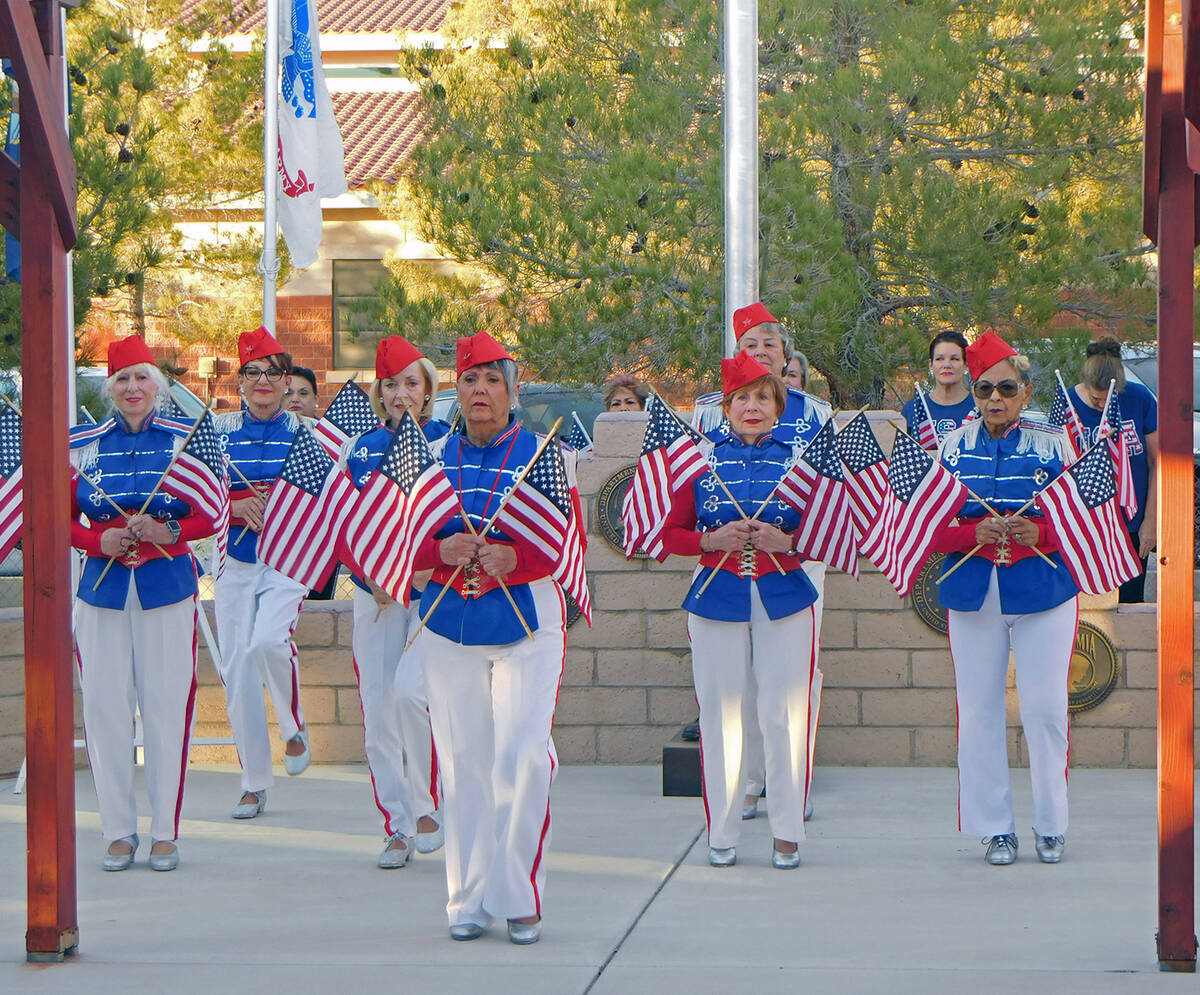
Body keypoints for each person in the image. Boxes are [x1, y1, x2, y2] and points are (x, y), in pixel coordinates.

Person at [411, 331, 572, 945]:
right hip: (448, 623)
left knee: (524, 756)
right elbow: (394, 537)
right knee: (462, 764)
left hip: (526, 622)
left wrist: (515, 558)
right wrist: (436, 550)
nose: (481, 390)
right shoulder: (425, 456)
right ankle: (469, 895)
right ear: (456, 388)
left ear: (513, 391)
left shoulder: (544, 453)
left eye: (493, 380)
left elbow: (564, 541)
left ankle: (520, 892)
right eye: (471, 379)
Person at [662, 351, 817, 869]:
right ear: (726, 408)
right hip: (717, 595)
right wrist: (711, 539)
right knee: (722, 715)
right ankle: (723, 831)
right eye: (742, 398)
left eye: (763, 397)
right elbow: (671, 535)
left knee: (784, 714)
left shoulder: (802, 459)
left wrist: (787, 538)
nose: (753, 407)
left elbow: (831, 531)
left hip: (784, 596)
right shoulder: (701, 461)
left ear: (779, 405)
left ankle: (787, 830)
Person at [70, 335, 219, 872]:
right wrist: (94, 541)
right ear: (111, 389)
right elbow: (59, 515)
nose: (133, 388)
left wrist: (168, 528)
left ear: (156, 386)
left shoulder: (186, 440)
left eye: (142, 378)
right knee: (104, 708)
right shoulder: (82, 444)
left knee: (164, 708)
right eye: (123, 379)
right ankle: (117, 829)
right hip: (102, 591)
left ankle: (164, 831)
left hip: (167, 587)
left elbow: (213, 511)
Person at [932, 330, 1078, 866]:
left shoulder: (1055, 443)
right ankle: (995, 828)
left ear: (1026, 391)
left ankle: (1051, 823)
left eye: (1007, 388)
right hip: (974, 592)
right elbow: (927, 528)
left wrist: (1042, 534)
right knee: (978, 712)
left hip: (1044, 589)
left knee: (1043, 708)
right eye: (984, 389)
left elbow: (1085, 520)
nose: (994, 399)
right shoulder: (951, 448)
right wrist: (972, 534)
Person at [692, 302, 829, 823]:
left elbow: (829, 490)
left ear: (785, 354)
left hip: (795, 557)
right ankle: (748, 780)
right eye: (750, 346)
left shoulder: (814, 412)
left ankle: (794, 782)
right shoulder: (709, 410)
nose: (760, 354)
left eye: (769, 346)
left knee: (796, 678)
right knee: (738, 679)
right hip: (725, 556)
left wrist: (792, 539)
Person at [344, 336, 449, 868]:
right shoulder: (360, 449)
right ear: (380, 393)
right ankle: (397, 825)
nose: (402, 393)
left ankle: (430, 805)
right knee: (378, 709)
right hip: (376, 596)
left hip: (432, 593)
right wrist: (373, 576)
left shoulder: (448, 445)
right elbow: (343, 529)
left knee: (414, 696)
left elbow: (454, 522)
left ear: (428, 389)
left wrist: (413, 570)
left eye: (412, 383)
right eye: (392, 384)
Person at [212, 326, 311, 820]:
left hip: (288, 559)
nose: (263, 381)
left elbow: (327, 499)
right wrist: (235, 505)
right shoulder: (216, 432)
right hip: (235, 558)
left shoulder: (307, 434)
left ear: (288, 380)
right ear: (240, 381)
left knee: (267, 643)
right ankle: (253, 781)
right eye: (253, 372)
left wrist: (285, 507)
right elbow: (191, 498)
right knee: (237, 671)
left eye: (273, 372)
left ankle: (293, 728)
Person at [1067, 338, 1158, 603]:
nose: (1101, 406)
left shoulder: (1139, 398)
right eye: (1095, 399)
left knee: (1130, 603)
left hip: (1131, 520)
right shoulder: (1069, 401)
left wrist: (1150, 521)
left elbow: (1156, 461)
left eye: (1108, 399)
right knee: (1090, 606)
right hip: (1087, 523)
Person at [901, 331, 976, 450]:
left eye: (955, 359)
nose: (947, 364)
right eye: (940, 359)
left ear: (966, 364)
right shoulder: (913, 409)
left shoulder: (979, 408)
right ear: (931, 364)